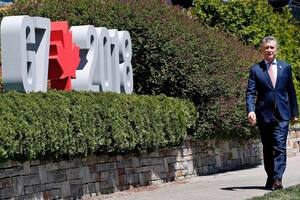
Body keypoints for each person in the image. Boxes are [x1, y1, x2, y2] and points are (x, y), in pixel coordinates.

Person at [246, 36, 299, 190]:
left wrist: (294, 113)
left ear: (276, 49)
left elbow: (291, 91)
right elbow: (250, 92)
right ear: (262, 50)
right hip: (264, 114)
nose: (269, 50)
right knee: (268, 147)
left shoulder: (286, 67)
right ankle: (271, 176)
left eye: (272, 47)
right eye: (266, 47)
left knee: (280, 147)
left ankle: (277, 179)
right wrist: (250, 110)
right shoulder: (256, 69)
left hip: (282, 114)